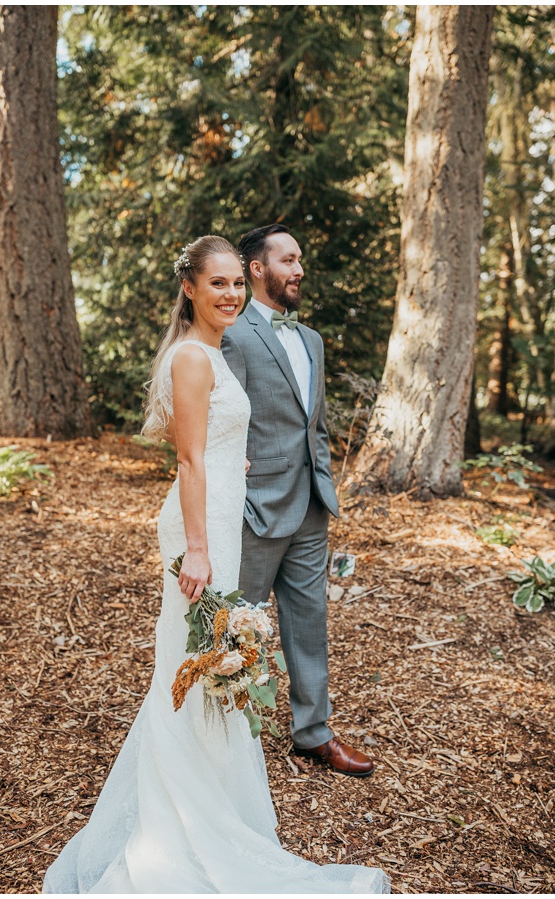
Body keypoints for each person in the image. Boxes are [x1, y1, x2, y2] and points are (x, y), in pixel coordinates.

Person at [41, 236, 386, 893]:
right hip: (202, 529)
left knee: (209, 661)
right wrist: (196, 547)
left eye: (235, 284)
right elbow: (189, 460)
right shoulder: (192, 359)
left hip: (226, 515)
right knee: (191, 660)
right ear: (190, 288)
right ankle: (180, 816)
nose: (230, 294)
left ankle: (215, 796)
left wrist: (239, 463)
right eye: (217, 283)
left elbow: (215, 443)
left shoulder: (218, 352)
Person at [221, 224, 374, 777]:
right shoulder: (233, 335)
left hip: (311, 507)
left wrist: (325, 483)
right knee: (239, 626)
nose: (299, 269)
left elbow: (319, 427)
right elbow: (224, 427)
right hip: (255, 509)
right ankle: (228, 740)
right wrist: (233, 499)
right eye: (288, 260)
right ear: (257, 269)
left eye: (300, 259)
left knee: (309, 623)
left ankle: (313, 734)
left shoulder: (311, 339)